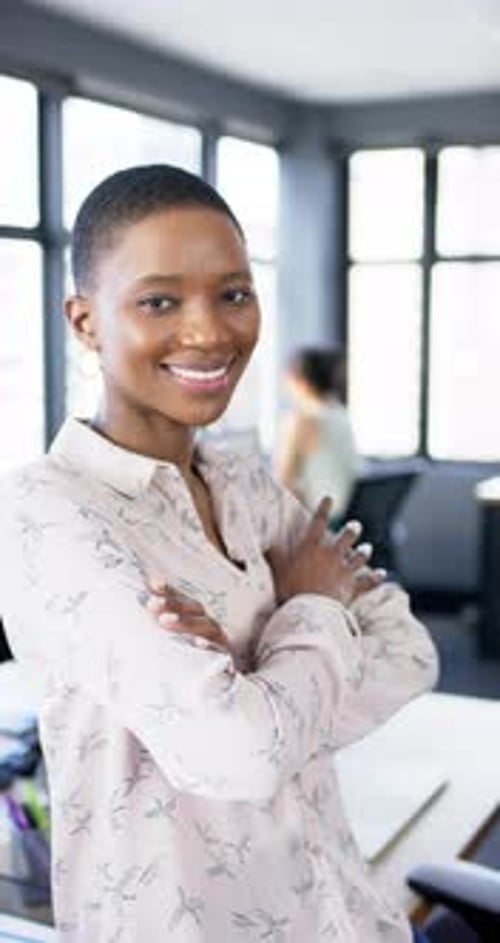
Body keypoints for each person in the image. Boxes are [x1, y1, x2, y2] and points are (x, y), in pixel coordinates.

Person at [0, 164, 437, 943]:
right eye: (159, 300)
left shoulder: (243, 482)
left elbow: (409, 650)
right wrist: (309, 608)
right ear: (85, 320)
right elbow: (238, 754)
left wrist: (248, 686)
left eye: (233, 292)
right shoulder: (47, 513)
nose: (208, 331)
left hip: (339, 913)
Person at [275, 346, 363, 521]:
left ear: (299, 380)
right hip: (346, 519)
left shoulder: (304, 420)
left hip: (322, 525)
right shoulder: (340, 413)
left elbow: (283, 484)